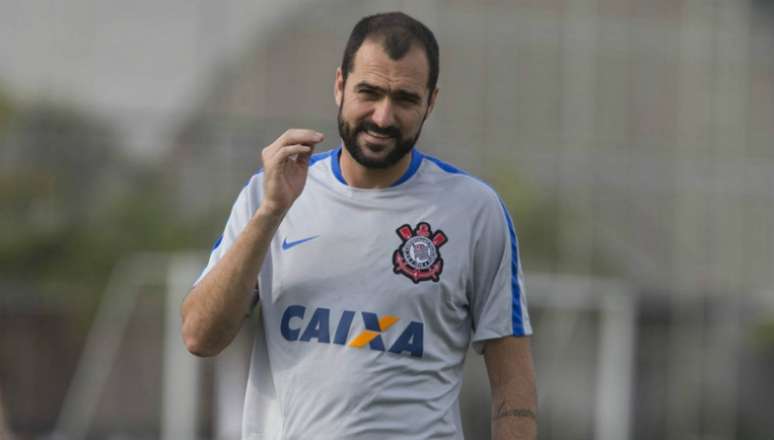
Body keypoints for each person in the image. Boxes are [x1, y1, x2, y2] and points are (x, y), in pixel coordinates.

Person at [181, 11, 537, 440]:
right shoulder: (269, 194)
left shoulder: (474, 210)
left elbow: (513, 384)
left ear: (431, 101)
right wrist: (272, 212)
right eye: (369, 92)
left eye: (405, 99)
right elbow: (200, 336)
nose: (383, 118)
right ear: (339, 85)